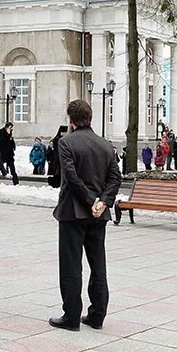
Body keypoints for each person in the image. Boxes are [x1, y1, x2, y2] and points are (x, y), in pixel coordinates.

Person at [50, 99, 121, 331]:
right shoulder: (105, 145)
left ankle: (71, 316)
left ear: (70, 119)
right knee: (97, 263)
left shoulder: (66, 142)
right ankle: (97, 315)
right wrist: (102, 202)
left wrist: (91, 201)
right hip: (98, 214)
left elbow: (70, 176)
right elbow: (114, 179)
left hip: (73, 211)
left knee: (71, 265)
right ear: (90, 117)